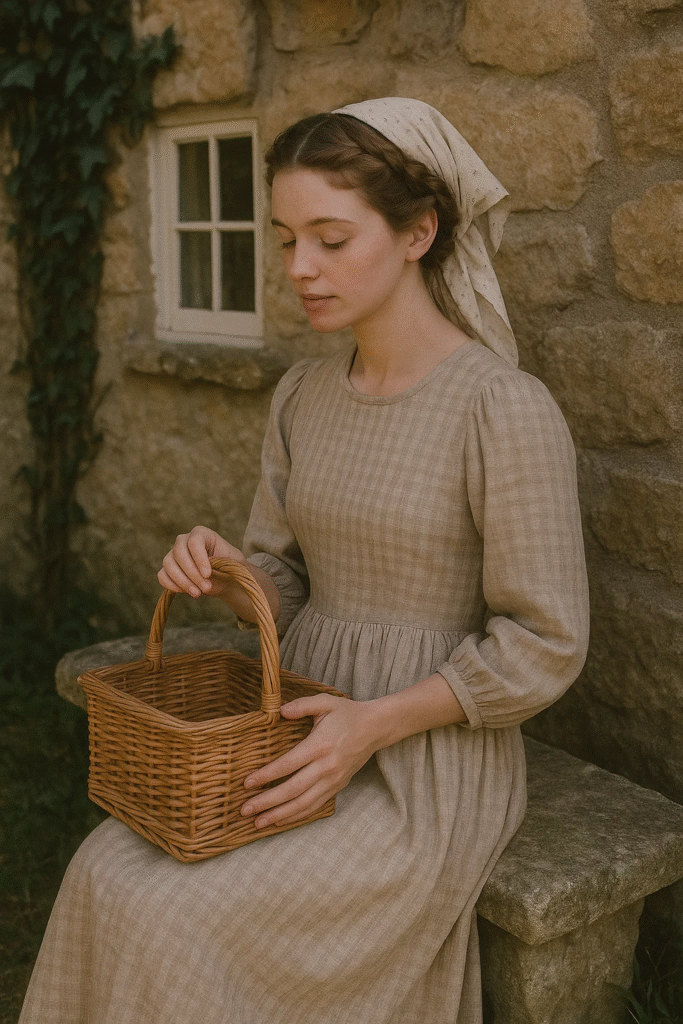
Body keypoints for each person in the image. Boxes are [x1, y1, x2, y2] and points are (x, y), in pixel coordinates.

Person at [20, 97, 589, 1024]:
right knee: (101, 869)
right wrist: (226, 573)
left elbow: (545, 644)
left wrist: (371, 724)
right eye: (286, 240)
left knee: (171, 913)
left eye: (330, 238)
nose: (298, 268)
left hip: (423, 767)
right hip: (283, 725)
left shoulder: (501, 409)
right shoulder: (301, 395)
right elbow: (281, 585)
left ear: (418, 232)